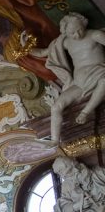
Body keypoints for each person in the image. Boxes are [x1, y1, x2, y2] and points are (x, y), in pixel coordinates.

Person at [30, 13, 105, 143]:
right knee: (56, 106)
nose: (77, 35)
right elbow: (42, 52)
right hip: (79, 82)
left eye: (79, 30)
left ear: (84, 24)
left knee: (104, 81)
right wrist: (26, 47)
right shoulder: (65, 42)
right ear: (65, 33)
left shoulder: (95, 35)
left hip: (99, 72)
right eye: (72, 33)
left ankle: (85, 112)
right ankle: (54, 140)